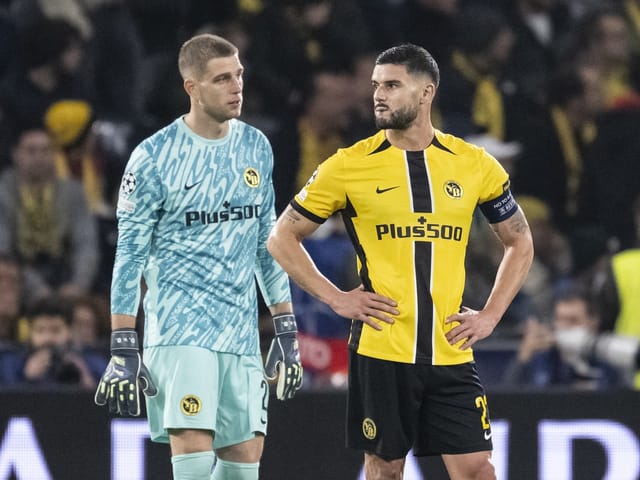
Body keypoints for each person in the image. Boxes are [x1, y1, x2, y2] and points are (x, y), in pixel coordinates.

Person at [267, 43, 534, 480]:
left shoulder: (474, 164)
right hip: (382, 348)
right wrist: (337, 299)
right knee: (385, 469)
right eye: (375, 86)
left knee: (477, 469)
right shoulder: (348, 166)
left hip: (451, 349)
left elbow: (520, 242)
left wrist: (490, 315)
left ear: (427, 91)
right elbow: (282, 237)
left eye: (392, 85)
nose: (379, 95)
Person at [93, 34, 303, 480]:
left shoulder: (256, 147)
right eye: (222, 79)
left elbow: (267, 243)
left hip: (241, 334)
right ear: (192, 87)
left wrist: (284, 328)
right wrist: (123, 342)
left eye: (239, 75)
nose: (237, 87)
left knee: (243, 472)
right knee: (192, 468)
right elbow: (128, 257)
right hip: (180, 330)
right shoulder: (153, 157)